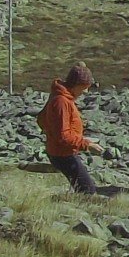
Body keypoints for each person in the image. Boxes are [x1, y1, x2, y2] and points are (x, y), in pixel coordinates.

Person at [37, 62, 101, 194]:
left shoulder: (61, 96)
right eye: (85, 87)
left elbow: (42, 120)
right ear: (77, 85)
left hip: (61, 151)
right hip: (62, 154)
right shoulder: (61, 102)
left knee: (83, 188)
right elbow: (63, 136)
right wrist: (87, 144)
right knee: (88, 192)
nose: (86, 91)